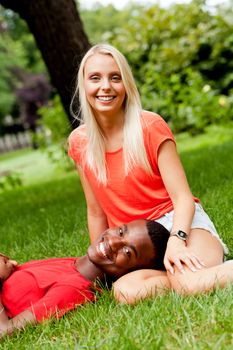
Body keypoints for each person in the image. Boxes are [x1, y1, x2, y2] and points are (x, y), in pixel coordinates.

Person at [68, 43, 230, 303]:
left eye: (115, 77)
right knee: (125, 292)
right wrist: (101, 264)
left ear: (126, 85)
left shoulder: (150, 125)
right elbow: (96, 211)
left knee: (190, 282)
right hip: (133, 245)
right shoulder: (80, 142)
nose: (105, 86)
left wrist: (177, 242)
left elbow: (183, 199)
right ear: (84, 85)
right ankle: (184, 278)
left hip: (179, 224)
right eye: (95, 78)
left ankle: (188, 277)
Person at [0, 219, 169, 337]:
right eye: (121, 231)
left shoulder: (73, 289)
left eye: (127, 252)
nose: (113, 242)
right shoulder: (74, 263)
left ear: (131, 272)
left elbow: (4, 331)